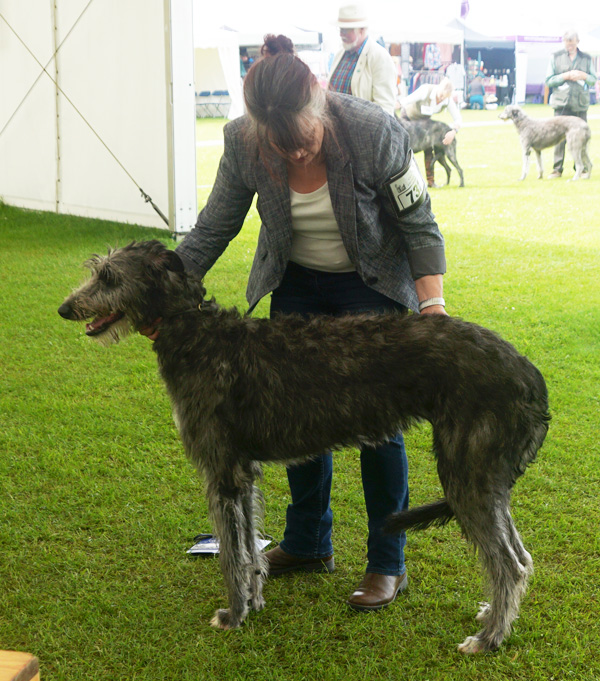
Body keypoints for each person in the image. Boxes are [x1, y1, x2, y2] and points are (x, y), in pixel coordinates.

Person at [145, 35, 447, 612]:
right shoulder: (241, 141)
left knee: (378, 429)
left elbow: (419, 225)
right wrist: (161, 290)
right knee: (295, 419)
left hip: (371, 286)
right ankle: (309, 543)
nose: (296, 157)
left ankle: (388, 562)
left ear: (319, 99)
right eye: (280, 149)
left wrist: (431, 308)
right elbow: (215, 224)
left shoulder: (374, 129)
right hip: (297, 284)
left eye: (303, 143)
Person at [327, 3, 397, 115]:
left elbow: (385, 109)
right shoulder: (340, 53)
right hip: (335, 128)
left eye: (346, 30)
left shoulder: (380, 57)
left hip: (360, 130)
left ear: (362, 30)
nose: (341, 34)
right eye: (340, 29)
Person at [546, 30, 596, 179]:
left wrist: (584, 76)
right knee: (558, 138)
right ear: (564, 42)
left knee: (581, 138)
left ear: (577, 42)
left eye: (572, 43)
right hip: (561, 103)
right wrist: (564, 76)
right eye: (568, 43)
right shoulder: (555, 57)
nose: (570, 46)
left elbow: (594, 79)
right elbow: (549, 80)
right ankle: (557, 169)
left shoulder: (587, 58)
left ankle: (582, 169)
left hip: (580, 103)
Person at [399, 77, 462, 187]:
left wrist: (453, 131)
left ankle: (430, 181)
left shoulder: (447, 100)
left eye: (444, 98)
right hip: (408, 118)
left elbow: (458, 119)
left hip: (424, 123)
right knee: (406, 149)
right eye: (441, 96)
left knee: (428, 148)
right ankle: (406, 181)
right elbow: (405, 101)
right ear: (439, 89)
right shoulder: (425, 90)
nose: (441, 99)